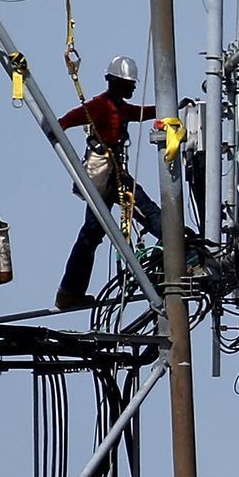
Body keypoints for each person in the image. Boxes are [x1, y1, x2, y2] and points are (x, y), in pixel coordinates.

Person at [54, 55, 165, 310]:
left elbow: (138, 113)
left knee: (98, 231)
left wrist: (168, 107)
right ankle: (179, 251)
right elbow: (68, 119)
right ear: (117, 82)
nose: (134, 88)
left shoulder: (118, 106)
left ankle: (69, 292)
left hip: (114, 176)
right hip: (106, 178)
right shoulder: (100, 106)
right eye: (130, 84)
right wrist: (56, 130)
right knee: (99, 230)